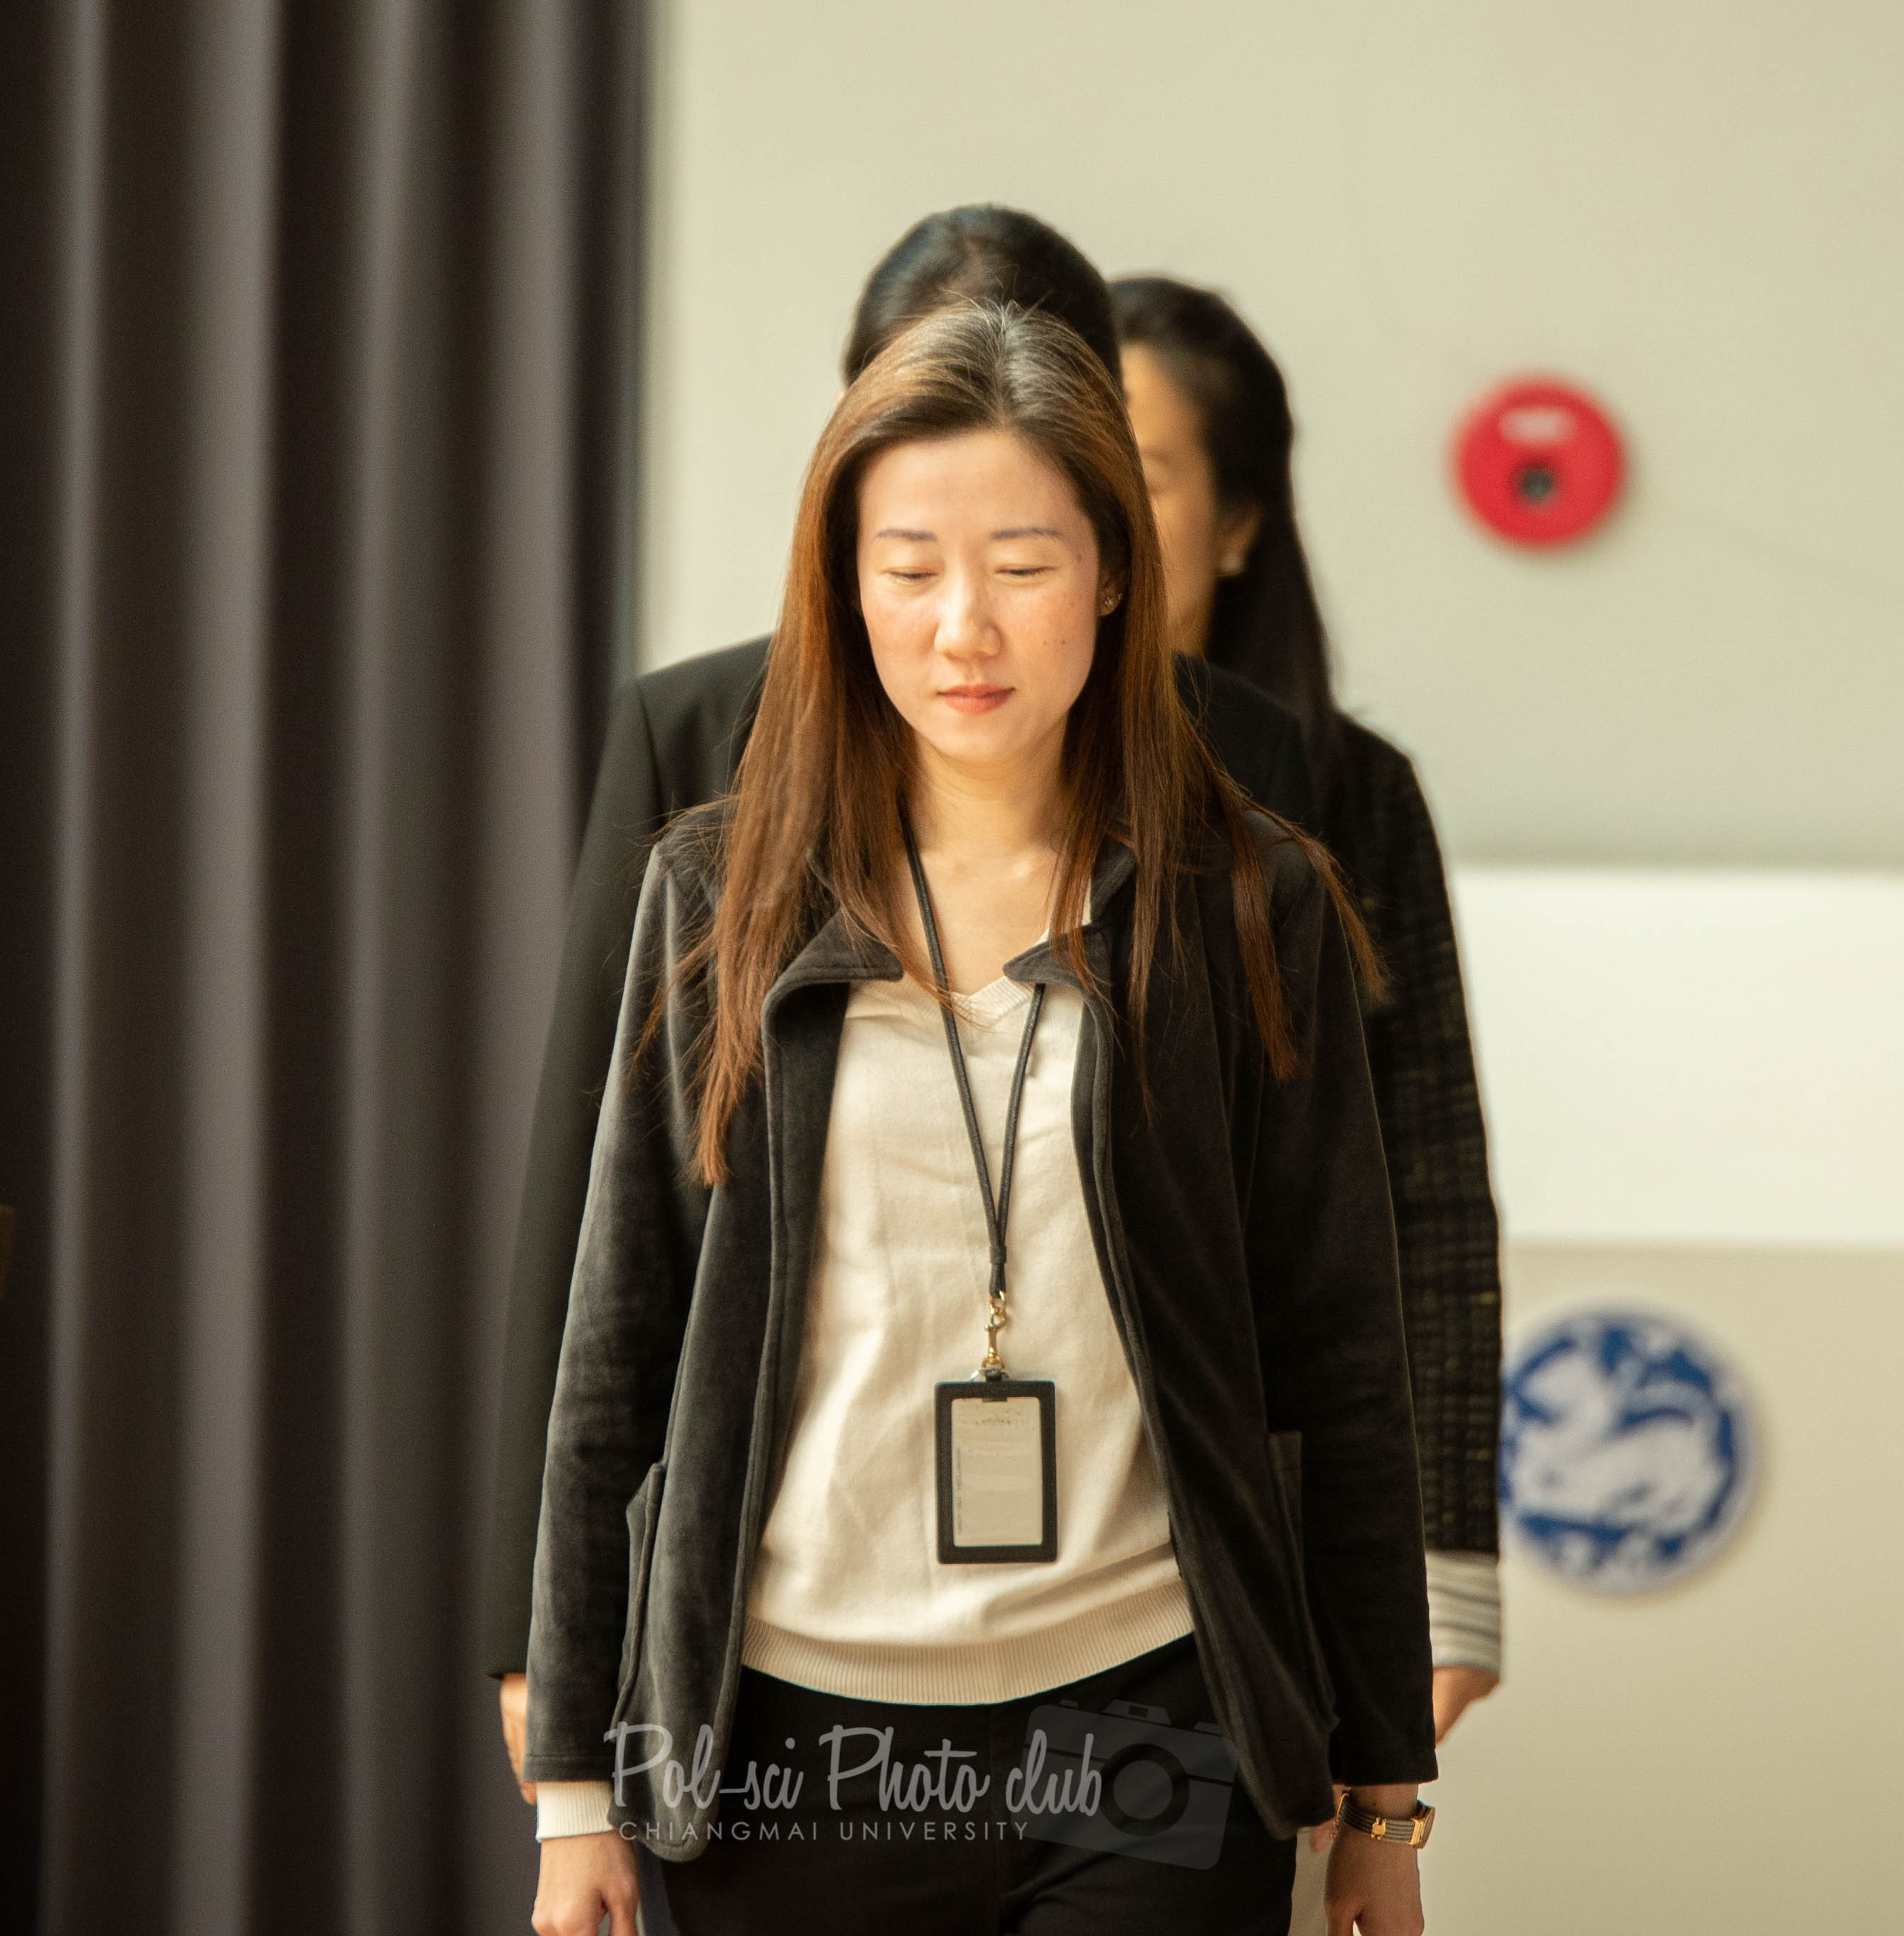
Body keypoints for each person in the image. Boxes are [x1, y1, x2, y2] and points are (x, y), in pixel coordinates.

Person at [522, 304, 1435, 1935]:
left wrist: (1380, 1782)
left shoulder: (1248, 902)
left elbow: (1341, 1352)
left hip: (1142, 1704)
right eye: (910, 567)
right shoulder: (721, 894)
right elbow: (619, 1348)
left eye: (1022, 565)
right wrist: (578, 1787)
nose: (965, 627)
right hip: (791, 1734)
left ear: (1113, 574)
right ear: (843, 585)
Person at [1112, 277, 1507, 1745]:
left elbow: (1428, 1187)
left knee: (1209, 1846)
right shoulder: (947, 798)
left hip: (1264, 1521)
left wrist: (1445, 1571)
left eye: (1143, 473)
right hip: (996, 1531)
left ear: (1238, 521)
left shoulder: (1348, 794)